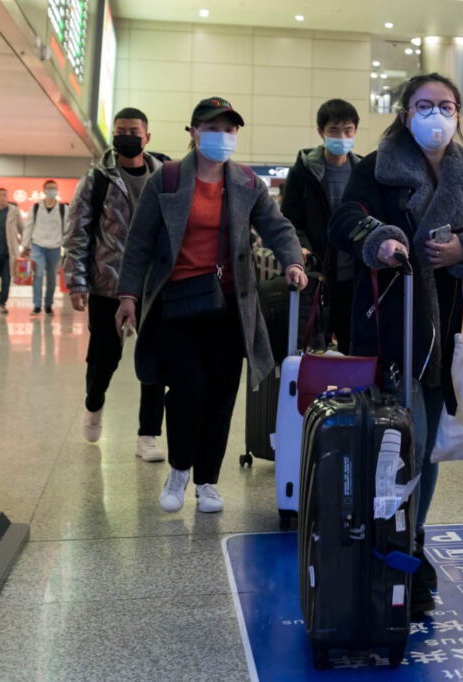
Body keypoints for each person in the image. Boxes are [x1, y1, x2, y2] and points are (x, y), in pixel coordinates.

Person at [329, 73, 463, 618]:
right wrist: (379, 240)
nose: (436, 115)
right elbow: (345, 221)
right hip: (392, 326)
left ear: (459, 113)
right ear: (406, 114)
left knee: (426, 450)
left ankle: (412, 541)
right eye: (424, 106)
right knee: (403, 442)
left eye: (446, 106)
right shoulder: (376, 168)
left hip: (446, 331)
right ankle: (387, 542)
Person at [116, 97, 307, 515]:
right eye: (213, 127)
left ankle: (207, 482)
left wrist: (293, 260)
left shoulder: (247, 184)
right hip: (176, 305)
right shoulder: (166, 180)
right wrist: (128, 296)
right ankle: (180, 469)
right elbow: (139, 243)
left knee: (222, 394)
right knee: (190, 391)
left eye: (230, 128)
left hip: (228, 307)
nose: (223, 136)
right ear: (193, 132)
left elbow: (277, 227)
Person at [63, 107, 167, 460]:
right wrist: (76, 281)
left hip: (153, 286)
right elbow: (78, 231)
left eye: (134, 131)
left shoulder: (164, 176)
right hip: (108, 283)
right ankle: (94, 404)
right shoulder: (98, 178)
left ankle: (148, 435)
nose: (127, 136)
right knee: (104, 358)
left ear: (147, 136)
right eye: (121, 130)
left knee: (155, 360)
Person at [280, 99, 361, 353]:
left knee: (354, 346)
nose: (342, 137)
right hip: (317, 275)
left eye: (348, 130)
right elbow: (290, 219)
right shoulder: (304, 172)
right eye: (334, 131)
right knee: (314, 347)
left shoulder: (363, 172)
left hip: (354, 275)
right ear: (320, 132)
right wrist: (301, 248)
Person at [21, 179, 68, 315]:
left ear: (56, 191)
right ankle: (37, 305)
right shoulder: (36, 208)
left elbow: (67, 228)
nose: (51, 190)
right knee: (39, 274)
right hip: (38, 245)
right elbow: (29, 226)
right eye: (48, 188)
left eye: (53, 188)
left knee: (52, 277)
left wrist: (68, 247)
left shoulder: (63, 209)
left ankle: (48, 304)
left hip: (55, 247)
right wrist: (24, 246)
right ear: (44, 190)